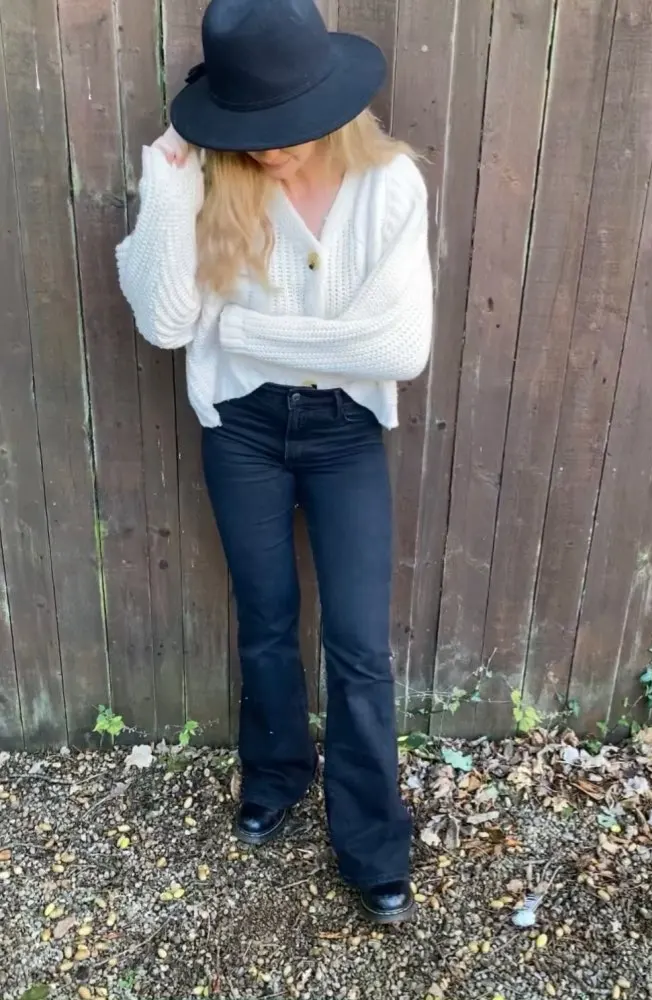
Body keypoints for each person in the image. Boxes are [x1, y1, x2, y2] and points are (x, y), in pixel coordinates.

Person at [116, 0, 433, 924]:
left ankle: (371, 842)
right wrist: (166, 182)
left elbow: (397, 348)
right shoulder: (212, 181)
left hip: (343, 433)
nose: (268, 148)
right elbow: (167, 323)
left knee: (359, 646)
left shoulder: (390, 185)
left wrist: (244, 333)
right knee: (264, 620)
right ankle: (275, 775)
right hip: (242, 429)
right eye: (250, 128)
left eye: (286, 125)